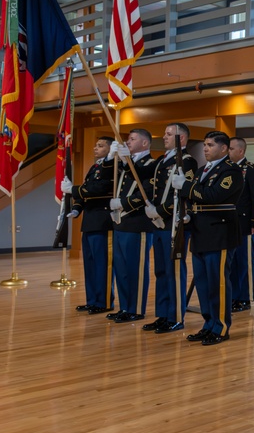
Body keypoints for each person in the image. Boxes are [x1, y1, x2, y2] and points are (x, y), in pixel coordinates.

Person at [171, 131, 243, 345]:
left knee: (217, 284)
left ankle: (220, 327)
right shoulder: (202, 170)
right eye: (204, 144)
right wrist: (187, 214)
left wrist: (185, 186)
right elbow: (195, 199)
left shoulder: (231, 171)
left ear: (224, 148)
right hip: (200, 232)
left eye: (210, 145)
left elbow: (213, 196)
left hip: (219, 233)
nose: (205, 148)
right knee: (203, 284)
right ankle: (208, 324)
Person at [143, 123, 198, 334]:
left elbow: (183, 195)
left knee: (174, 271)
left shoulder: (187, 161)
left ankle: (175, 317)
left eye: (168, 134)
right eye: (165, 133)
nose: (164, 137)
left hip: (174, 223)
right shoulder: (162, 160)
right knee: (161, 271)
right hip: (159, 224)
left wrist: (159, 211)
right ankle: (163, 314)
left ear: (181, 138)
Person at [107, 128, 160, 324]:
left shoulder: (151, 164)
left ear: (145, 143)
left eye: (132, 139)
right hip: (121, 222)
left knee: (135, 269)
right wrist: (111, 158)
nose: (128, 142)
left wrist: (122, 203)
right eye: (128, 139)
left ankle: (136, 309)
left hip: (138, 223)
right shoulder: (126, 163)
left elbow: (147, 192)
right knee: (121, 269)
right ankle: (125, 307)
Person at [64, 136, 115, 314]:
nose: (95, 148)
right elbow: (86, 191)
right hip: (90, 221)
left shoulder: (112, 167)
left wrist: (73, 189)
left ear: (110, 149)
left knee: (102, 264)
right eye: (96, 145)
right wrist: (76, 208)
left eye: (100, 146)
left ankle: (104, 301)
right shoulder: (95, 167)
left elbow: (99, 189)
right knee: (90, 264)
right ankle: (92, 300)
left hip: (103, 221)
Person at [228, 137, 254, 312]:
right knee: (232, 263)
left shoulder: (251, 170)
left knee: (245, 262)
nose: (228, 152)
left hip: (246, 224)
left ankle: (245, 298)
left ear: (241, 151)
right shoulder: (227, 169)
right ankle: (233, 296)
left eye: (231, 149)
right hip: (229, 223)